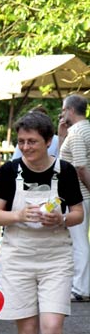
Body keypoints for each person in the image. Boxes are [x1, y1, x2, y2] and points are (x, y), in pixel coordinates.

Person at [0, 110, 83, 334]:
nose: (26, 147)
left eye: (33, 142)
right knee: (27, 330)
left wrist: (62, 218)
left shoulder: (65, 171)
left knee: (52, 327)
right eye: (22, 141)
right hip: (17, 257)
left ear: (49, 141)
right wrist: (18, 216)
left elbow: (79, 213)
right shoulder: (8, 171)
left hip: (55, 256)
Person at [58, 94, 90, 302]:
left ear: (70, 109)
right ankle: (81, 284)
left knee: (78, 242)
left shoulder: (77, 132)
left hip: (79, 195)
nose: (61, 114)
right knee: (79, 241)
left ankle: (80, 288)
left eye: (63, 109)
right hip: (82, 194)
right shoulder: (85, 129)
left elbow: (79, 166)